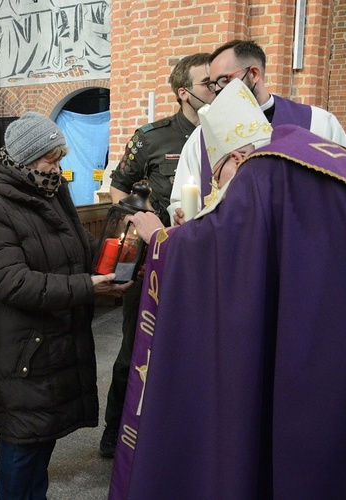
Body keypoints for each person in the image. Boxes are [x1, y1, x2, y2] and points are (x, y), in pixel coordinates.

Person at [109, 78, 346, 498]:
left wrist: (160, 238)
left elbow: (222, 249)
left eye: (219, 178)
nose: (220, 191)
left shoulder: (260, 169)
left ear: (235, 156)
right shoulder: (316, 153)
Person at [0, 111, 130, 499]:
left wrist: (116, 254)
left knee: (41, 437)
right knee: (23, 441)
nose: (57, 168)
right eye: (50, 160)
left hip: (51, 337)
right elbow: (10, 280)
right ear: (24, 157)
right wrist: (88, 287)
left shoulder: (48, 190)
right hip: (20, 345)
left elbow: (76, 246)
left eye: (59, 159)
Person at [99, 52, 214, 458]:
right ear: (184, 93)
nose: (216, 89)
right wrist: (144, 218)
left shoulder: (231, 132)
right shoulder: (153, 136)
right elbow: (119, 186)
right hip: (155, 256)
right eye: (207, 83)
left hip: (208, 259)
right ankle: (116, 428)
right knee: (135, 346)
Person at [169, 39, 346, 224]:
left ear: (254, 74)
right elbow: (182, 203)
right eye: (212, 84)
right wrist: (181, 216)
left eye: (225, 80)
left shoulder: (318, 123)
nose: (217, 91)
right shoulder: (201, 137)